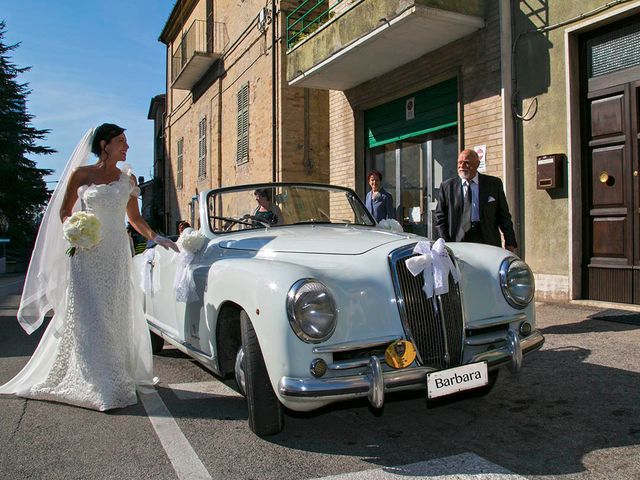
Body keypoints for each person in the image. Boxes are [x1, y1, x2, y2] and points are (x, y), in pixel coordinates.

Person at [0, 123, 179, 411]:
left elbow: (135, 219)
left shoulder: (128, 178)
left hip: (117, 253)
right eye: (121, 141)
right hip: (86, 254)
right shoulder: (81, 175)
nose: (127, 146)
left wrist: (156, 237)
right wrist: (76, 234)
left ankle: (114, 372)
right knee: (90, 315)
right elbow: (64, 211)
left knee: (114, 312)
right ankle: (97, 380)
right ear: (105, 144)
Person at [434, 149, 517, 252]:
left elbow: (504, 216)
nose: (462, 166)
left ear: (477, 164)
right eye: (460, 162)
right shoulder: (447, 187)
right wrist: (446, 244)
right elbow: (440, 218)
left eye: (467, 163)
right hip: (458, 241)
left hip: (487, 240)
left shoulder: (493, 184)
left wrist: (510, 242)